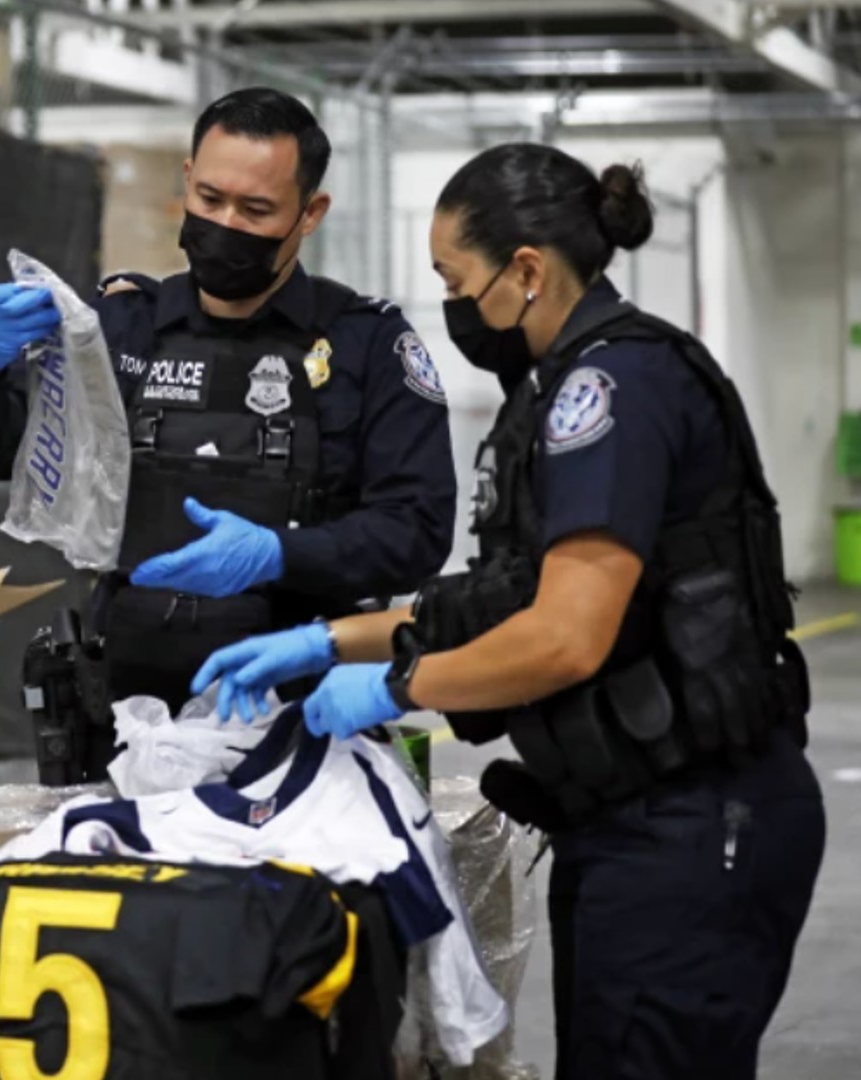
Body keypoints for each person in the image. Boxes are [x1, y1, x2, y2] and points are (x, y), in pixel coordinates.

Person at [194, 144, 824, 1080]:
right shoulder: (554, 389)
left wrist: (399, 685)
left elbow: (566, 636)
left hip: (695, 824)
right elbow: (500, 601)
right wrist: (325, 640)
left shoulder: (611, 392)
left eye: (457, 280)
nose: (453, 306)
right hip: (628, 822)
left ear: (526, 270)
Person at [0, 87, 456, 713]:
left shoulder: (366, 345)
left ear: (309, 214)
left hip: (299, 703)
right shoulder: (121, 328)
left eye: (256, 210)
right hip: (126, 708)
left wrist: (278, 554)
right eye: (210, 198)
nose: (226, 224)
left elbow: (416, 532)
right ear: (188, 179)